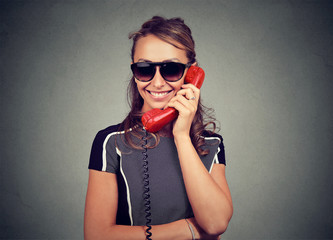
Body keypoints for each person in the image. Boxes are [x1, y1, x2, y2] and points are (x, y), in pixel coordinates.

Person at [84, 16, 233, 240]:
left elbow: (215, 223)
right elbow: (97, 236)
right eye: (144, 69)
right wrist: (189, 229)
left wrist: (181, 135)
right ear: (134, 73)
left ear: (191, 74)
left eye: (171, 69)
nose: (157, 83)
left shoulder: (211, 144)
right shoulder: (111, 142)